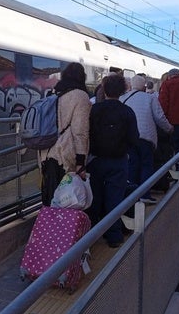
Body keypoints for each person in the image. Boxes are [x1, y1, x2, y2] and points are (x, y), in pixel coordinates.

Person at [87, 74, 139, 247]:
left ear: (104, 89)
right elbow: (134, 138)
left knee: (94, 198)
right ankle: (114, 236)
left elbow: (87, 134)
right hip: (119, 161)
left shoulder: (94, 110)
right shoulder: (127, 111)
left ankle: (91, 235)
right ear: (123, 91)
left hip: (95, 161)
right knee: (114, 199)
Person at [39, 62, 91, 205]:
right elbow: (80, 132)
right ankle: (62, 227)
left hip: (47, 152)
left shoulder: (53, 92)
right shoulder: (80, 96)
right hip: (65, 155)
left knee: (50, 197)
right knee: (67, 200)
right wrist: (81, 162)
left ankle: (48, 225)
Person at [120, 75, 173, 204]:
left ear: (131, 85)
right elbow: (159, 117)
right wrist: (169, 128)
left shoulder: (123, 98)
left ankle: (131, 195)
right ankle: (145, 194)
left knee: (132, 165)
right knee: (146, 166)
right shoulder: (150, 98)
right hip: (146, 137)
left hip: (130, 137)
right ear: (144, 86)